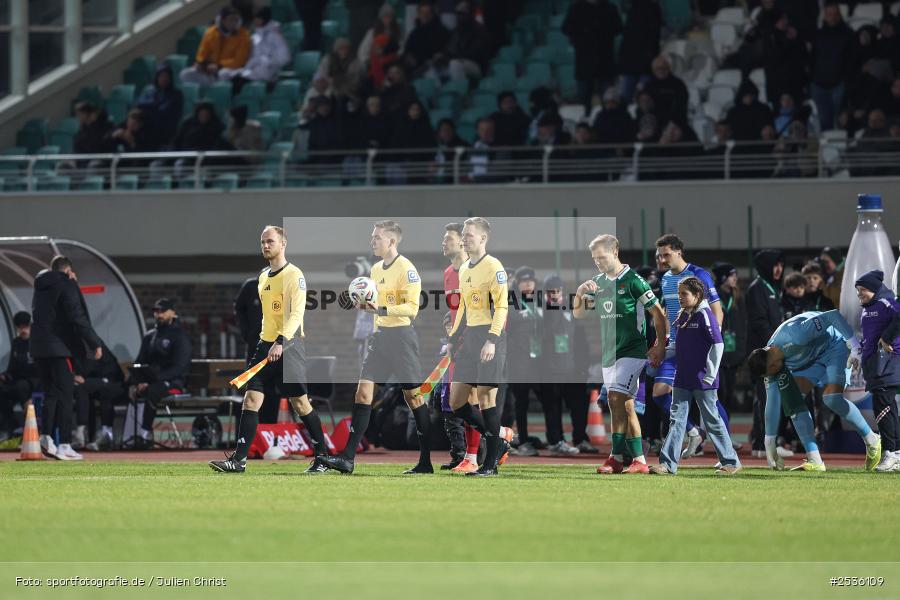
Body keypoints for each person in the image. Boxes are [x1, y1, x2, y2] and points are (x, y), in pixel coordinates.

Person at [210, 226, 328, 473]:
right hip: (265, 345)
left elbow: (297, 314)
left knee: (300, 404)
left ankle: (323, 458)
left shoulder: (295, 275)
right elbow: (267, 317)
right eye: (262, 242)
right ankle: (238, 460)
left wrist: (282, 342)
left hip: (290, 344)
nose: (265, 246)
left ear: (283, 243)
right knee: (251, 399)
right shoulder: (263, 277)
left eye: (270, 241)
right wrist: (265, 344)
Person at [319, 221, 433, 475]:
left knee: (414, 398)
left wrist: (380, 308)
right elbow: (372, 301)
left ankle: (425, 462)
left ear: (392, 241)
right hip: (380, 337)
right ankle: (347, 458)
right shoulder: (375, 269)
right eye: (372, 237)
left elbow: (412, 309)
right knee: (362, 394)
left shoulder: (407, 269)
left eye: (377, 237)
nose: (372, 241)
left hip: (402, 338)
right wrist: (358, 303)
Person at [574, 234, 667, 474]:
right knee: (623, 406)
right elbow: (580, 314)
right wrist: (580, 293)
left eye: (601, 258)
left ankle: (617, 457)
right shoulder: (598, 282)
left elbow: (657, 314)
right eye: (594, 259)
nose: (598, 263)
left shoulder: (634, 280)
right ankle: (636, 461)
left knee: (615, 397)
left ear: (615, 252)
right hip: (609, 354)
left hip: (633, 351)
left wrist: (659, 346)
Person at [747, 310, 882, 471]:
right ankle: (815, 460)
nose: (774, 373)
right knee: (793, 403)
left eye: (772, 370)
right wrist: (769, 443)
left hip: (834, 346)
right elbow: (772, 402)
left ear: (772, 362)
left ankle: (872, 440)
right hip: (810, 359)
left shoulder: (795, 335)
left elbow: (833, 315)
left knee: (832, 399)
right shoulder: (770, 365)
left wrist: (854, 346)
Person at [650, 277, 742, 475]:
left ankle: (731, 462)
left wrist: (710, 375)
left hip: (702, 380)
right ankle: (667, 465)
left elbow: (718, 345)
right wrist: (660, 351)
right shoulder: (683, 315)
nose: (679, 297)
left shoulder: (705, 315)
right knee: (676, 421)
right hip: (682, 377)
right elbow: (679, 346)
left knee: (712, 421)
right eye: (679, 293)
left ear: (697, 295)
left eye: (684, 294)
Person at [443, 217, 513, 476]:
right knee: (456, 401)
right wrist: (452, 340)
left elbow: (502, 306)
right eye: (463, 234)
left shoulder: (494, 266)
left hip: (490, 337)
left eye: (469, 235)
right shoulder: (465, 269)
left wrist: (492, 340)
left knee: (486, 400)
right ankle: (499, 438)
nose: (464, 238)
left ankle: (490, 464)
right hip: (470, 338)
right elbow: (463, 307)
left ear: (483, 238)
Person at [652, 234, 725, 459]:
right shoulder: (665, 280)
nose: (662, 260)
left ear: (678, 252)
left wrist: (711, 344)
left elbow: (717, 311)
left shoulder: (698, 275)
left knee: (709, 402)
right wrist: (660, 342)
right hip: (675, 345)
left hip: (697, 347)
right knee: (659, 393)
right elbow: (665, 316)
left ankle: (728, 454)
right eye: (660, 255)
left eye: (667, 255)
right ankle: (693, 433)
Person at [30, 255, 103, 460]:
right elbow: (77, 316)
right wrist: (94, 342)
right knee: (65, 393)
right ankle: (64, 444)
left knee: (50, 393)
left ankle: (46, 437)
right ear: (69, 271)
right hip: (59, 348)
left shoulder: (40, 286)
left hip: (38, 347)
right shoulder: (66, 285)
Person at [439, 222, 480, 471]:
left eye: (448, 239)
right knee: (458, 403)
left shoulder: (473, 270)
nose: (443, 242)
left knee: (472, 400)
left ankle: (474, 457)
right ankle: (470, 454)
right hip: (456, 344)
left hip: (474, 341)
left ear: (462, 243)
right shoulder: (447, 273)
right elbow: (455, 310)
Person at [542, 273, 595, 454]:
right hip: (551, 369)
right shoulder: (542, 312)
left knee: (580, 405)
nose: (554, 294)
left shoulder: (573, 309)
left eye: (557, 291)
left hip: (573, 368)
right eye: (551, 292)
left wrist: (583, 365)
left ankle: (580, 439)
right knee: (552, 407)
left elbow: (581, 339)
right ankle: (556, 441)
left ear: (563, 291)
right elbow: (543, 337)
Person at [129, 298, 192, 448]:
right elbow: (139, 361)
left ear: (172, 312)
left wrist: (153, 379)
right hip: (150, 381)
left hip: (173, 382)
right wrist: (135, 381)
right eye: (156, 311)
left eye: (162, 311)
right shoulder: (150, 336)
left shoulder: (179, 336)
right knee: (125, 389)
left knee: (152, 390)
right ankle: (116, 435)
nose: (158, 315)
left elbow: (180, 367)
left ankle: (145, 435)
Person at [854, 270, 900, 471]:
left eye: (863, 289)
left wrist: (888, 338)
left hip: (887, 364)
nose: (859, 293)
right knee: (888, 408)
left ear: (874, 289)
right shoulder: (869, 308)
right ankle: (896, 454)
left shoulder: (886, 303)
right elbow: (870, 338)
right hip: (876, 365)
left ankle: (889, 453)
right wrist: (858, 355)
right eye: (858, 290)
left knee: (883, 409)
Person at [746, 248, 784, 456]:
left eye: (781, 265)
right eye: (775, 264)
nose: (779, 269)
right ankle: (762, 444)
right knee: (764, 397)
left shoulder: (773, 287)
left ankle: (763, 443)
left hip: (771, 351)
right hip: (763, 353)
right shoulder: (757, 289)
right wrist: (776, 343)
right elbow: (760, 322)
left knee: (768, 397)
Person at [507, 266, 547, 456]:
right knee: (520, 402)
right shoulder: (511, 302)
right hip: (519, 362)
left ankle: (553, 438)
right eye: (524, 281)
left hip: (538, 361)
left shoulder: (539, 302)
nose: (528, 284)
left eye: (531, 281)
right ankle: (521, 440)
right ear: (517, 283)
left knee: (548, 399)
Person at [562, 0, 623, 112]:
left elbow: (618, 28)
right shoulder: (576, 8)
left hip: (605, 62)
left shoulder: (610, 8)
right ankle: (583, 126)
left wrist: (603, 32)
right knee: (583, 102)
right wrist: (583, 34)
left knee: (609, 100)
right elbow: (566, 28)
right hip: (584, 62)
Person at [180, 6, 251, 87]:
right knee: (185, 74)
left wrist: (219, 66)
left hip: (229, 69)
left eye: (236, 20)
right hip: (210, 69)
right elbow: (202, 52)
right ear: (223, 20)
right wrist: (202, 64)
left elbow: (239, 61)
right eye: (231, 19)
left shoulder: (244, 36)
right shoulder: (211, 32)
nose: (234, 22)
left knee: (223, 73)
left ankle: (216, 91)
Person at [810, 2, 854, 130]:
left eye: (835, 14)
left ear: (840, 15)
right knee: (825, 125)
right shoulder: (817, 35)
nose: (832, 17)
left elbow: (852, 61)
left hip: (839, 85)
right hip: (819, 85)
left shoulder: (848, 35)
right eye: (829, 14)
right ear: (825, 16)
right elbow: (812, 58)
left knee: (841, 124)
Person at [712, 263, 747, 416]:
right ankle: (716, 431)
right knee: (720, 392)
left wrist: (741, 352)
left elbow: (743, 325)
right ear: (723, 278)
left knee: (729, 394)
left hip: (733, 355)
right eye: (731, 275)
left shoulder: (738, 298)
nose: (735, 278)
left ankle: (725, 433)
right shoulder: (712, 297)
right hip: (718, 355)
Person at [226, 7, 291, 90]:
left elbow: (285, 58)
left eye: (257, 18)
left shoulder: (275, 36)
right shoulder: (255, 37)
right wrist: (248, 67)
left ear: (263, 19)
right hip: (255, 69)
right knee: (230, 76)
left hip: (269, 71)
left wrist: (268, 62)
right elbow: (253, 56)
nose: (255, 21)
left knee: (239, 82)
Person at [78, 343, 126, 451]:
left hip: (114, 385)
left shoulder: (101, 352)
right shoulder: (88, 351)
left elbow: (115, 375)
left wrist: (84, 379)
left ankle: (106, 434)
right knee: (85, 389)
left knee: (103, 391)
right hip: (101, 385)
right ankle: (86, 435)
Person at [0, 312, 37, 440]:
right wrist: (5, 375)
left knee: (22, 386)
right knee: (2, 390)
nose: (23, 330)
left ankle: (28, 422)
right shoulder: (16, 343)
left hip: (34, 381)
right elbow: (12, 367)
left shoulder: (37, 342)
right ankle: (10, 425)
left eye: (25, 327)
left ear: (30, 326)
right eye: (20, 327)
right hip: (18, 381)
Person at [436, 1, 493, 82]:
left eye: (463, 13)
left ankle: (459, 92)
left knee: (455, 64)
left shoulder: (479, 29)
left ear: (469, 12)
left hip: (477, 65)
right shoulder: (457, 31)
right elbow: (448, 49)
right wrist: (441, 56)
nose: (460, 16)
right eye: (458, 13)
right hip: (459, 61)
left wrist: (452, 58)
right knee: (433, 68)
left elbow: (474, 53)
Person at [617, 0, 662, 104]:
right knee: (638, 93)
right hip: (638, 60)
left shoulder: (639, 8)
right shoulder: (640, 7)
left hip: (639, 60)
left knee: (639, 94)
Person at [135, 64, 184, 149]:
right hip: (148, 130)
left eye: (166, 76)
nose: (164, 79)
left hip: (166, 131)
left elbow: (164, 111)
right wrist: (156, 104)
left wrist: (151, 106)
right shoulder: (150, 92)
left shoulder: (176, 94)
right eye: (161, 76)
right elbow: (140, 104)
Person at [403, 1, 450, 77]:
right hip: (415, 66)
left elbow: (444, 50)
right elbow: (407, 50)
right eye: (422, 13)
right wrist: (408, 57)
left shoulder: (442, 31)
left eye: (428, 13)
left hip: (434, 66)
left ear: (432, 14)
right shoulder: (414, 33)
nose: (425, 15)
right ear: (418, 14)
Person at [315, 38, 364, 108]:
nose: (344, 51)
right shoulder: (328, 59)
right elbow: (320, 74)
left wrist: (335, 80)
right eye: (341, 49)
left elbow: (353, 80)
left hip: (348, 91)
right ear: (336, 50)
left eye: (346, 48)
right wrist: (319, 81)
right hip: (328, 88)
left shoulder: (354, 62)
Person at [643, 56, 689, 127]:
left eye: (663, 67)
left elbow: (681, 107)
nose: (660, 70)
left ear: (668, 68)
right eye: (657, 68)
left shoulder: (678, 84)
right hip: (653, 122)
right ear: (653, 70)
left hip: (674, 122)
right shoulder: (648, 85)